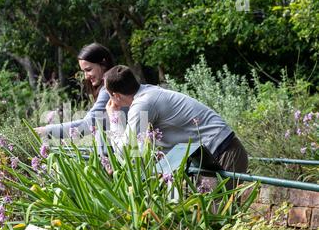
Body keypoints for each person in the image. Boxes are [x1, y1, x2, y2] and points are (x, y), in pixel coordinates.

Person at [104, 65, 248, 181]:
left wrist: (114, 117)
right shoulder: (147, 95)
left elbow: (127, 149)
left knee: (218, 214)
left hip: (223, 151)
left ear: (115, 95)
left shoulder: (143, 104)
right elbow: (140, 149)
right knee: (207, 213)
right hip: (213, 153)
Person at [35, 43, 121, 139]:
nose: (86, 76)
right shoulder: (108, 88)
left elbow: (86, 125)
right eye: (83, 71)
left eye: (88, 69)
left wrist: (46, 131)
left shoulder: (108, 91)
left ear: (104, 64)